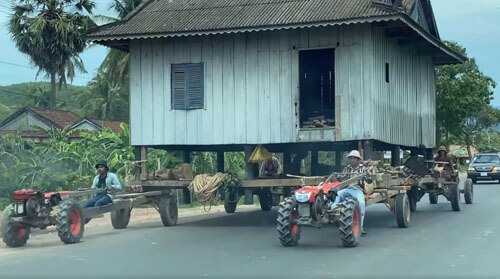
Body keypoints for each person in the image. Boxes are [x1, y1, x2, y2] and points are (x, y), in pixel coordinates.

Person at [328, 150, 369, 236]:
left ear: (358, 160)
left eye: (354, 158)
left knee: (361, 203)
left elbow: (369, 180)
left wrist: (366, 176)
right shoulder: (347, 168)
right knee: (336, 195)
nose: (352, 160)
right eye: (351, 158)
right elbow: (342, 178)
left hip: (358, 190)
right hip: (348, 189)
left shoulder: (363, 169)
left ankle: (360, 227)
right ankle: (332, 212)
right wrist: (335, 176)